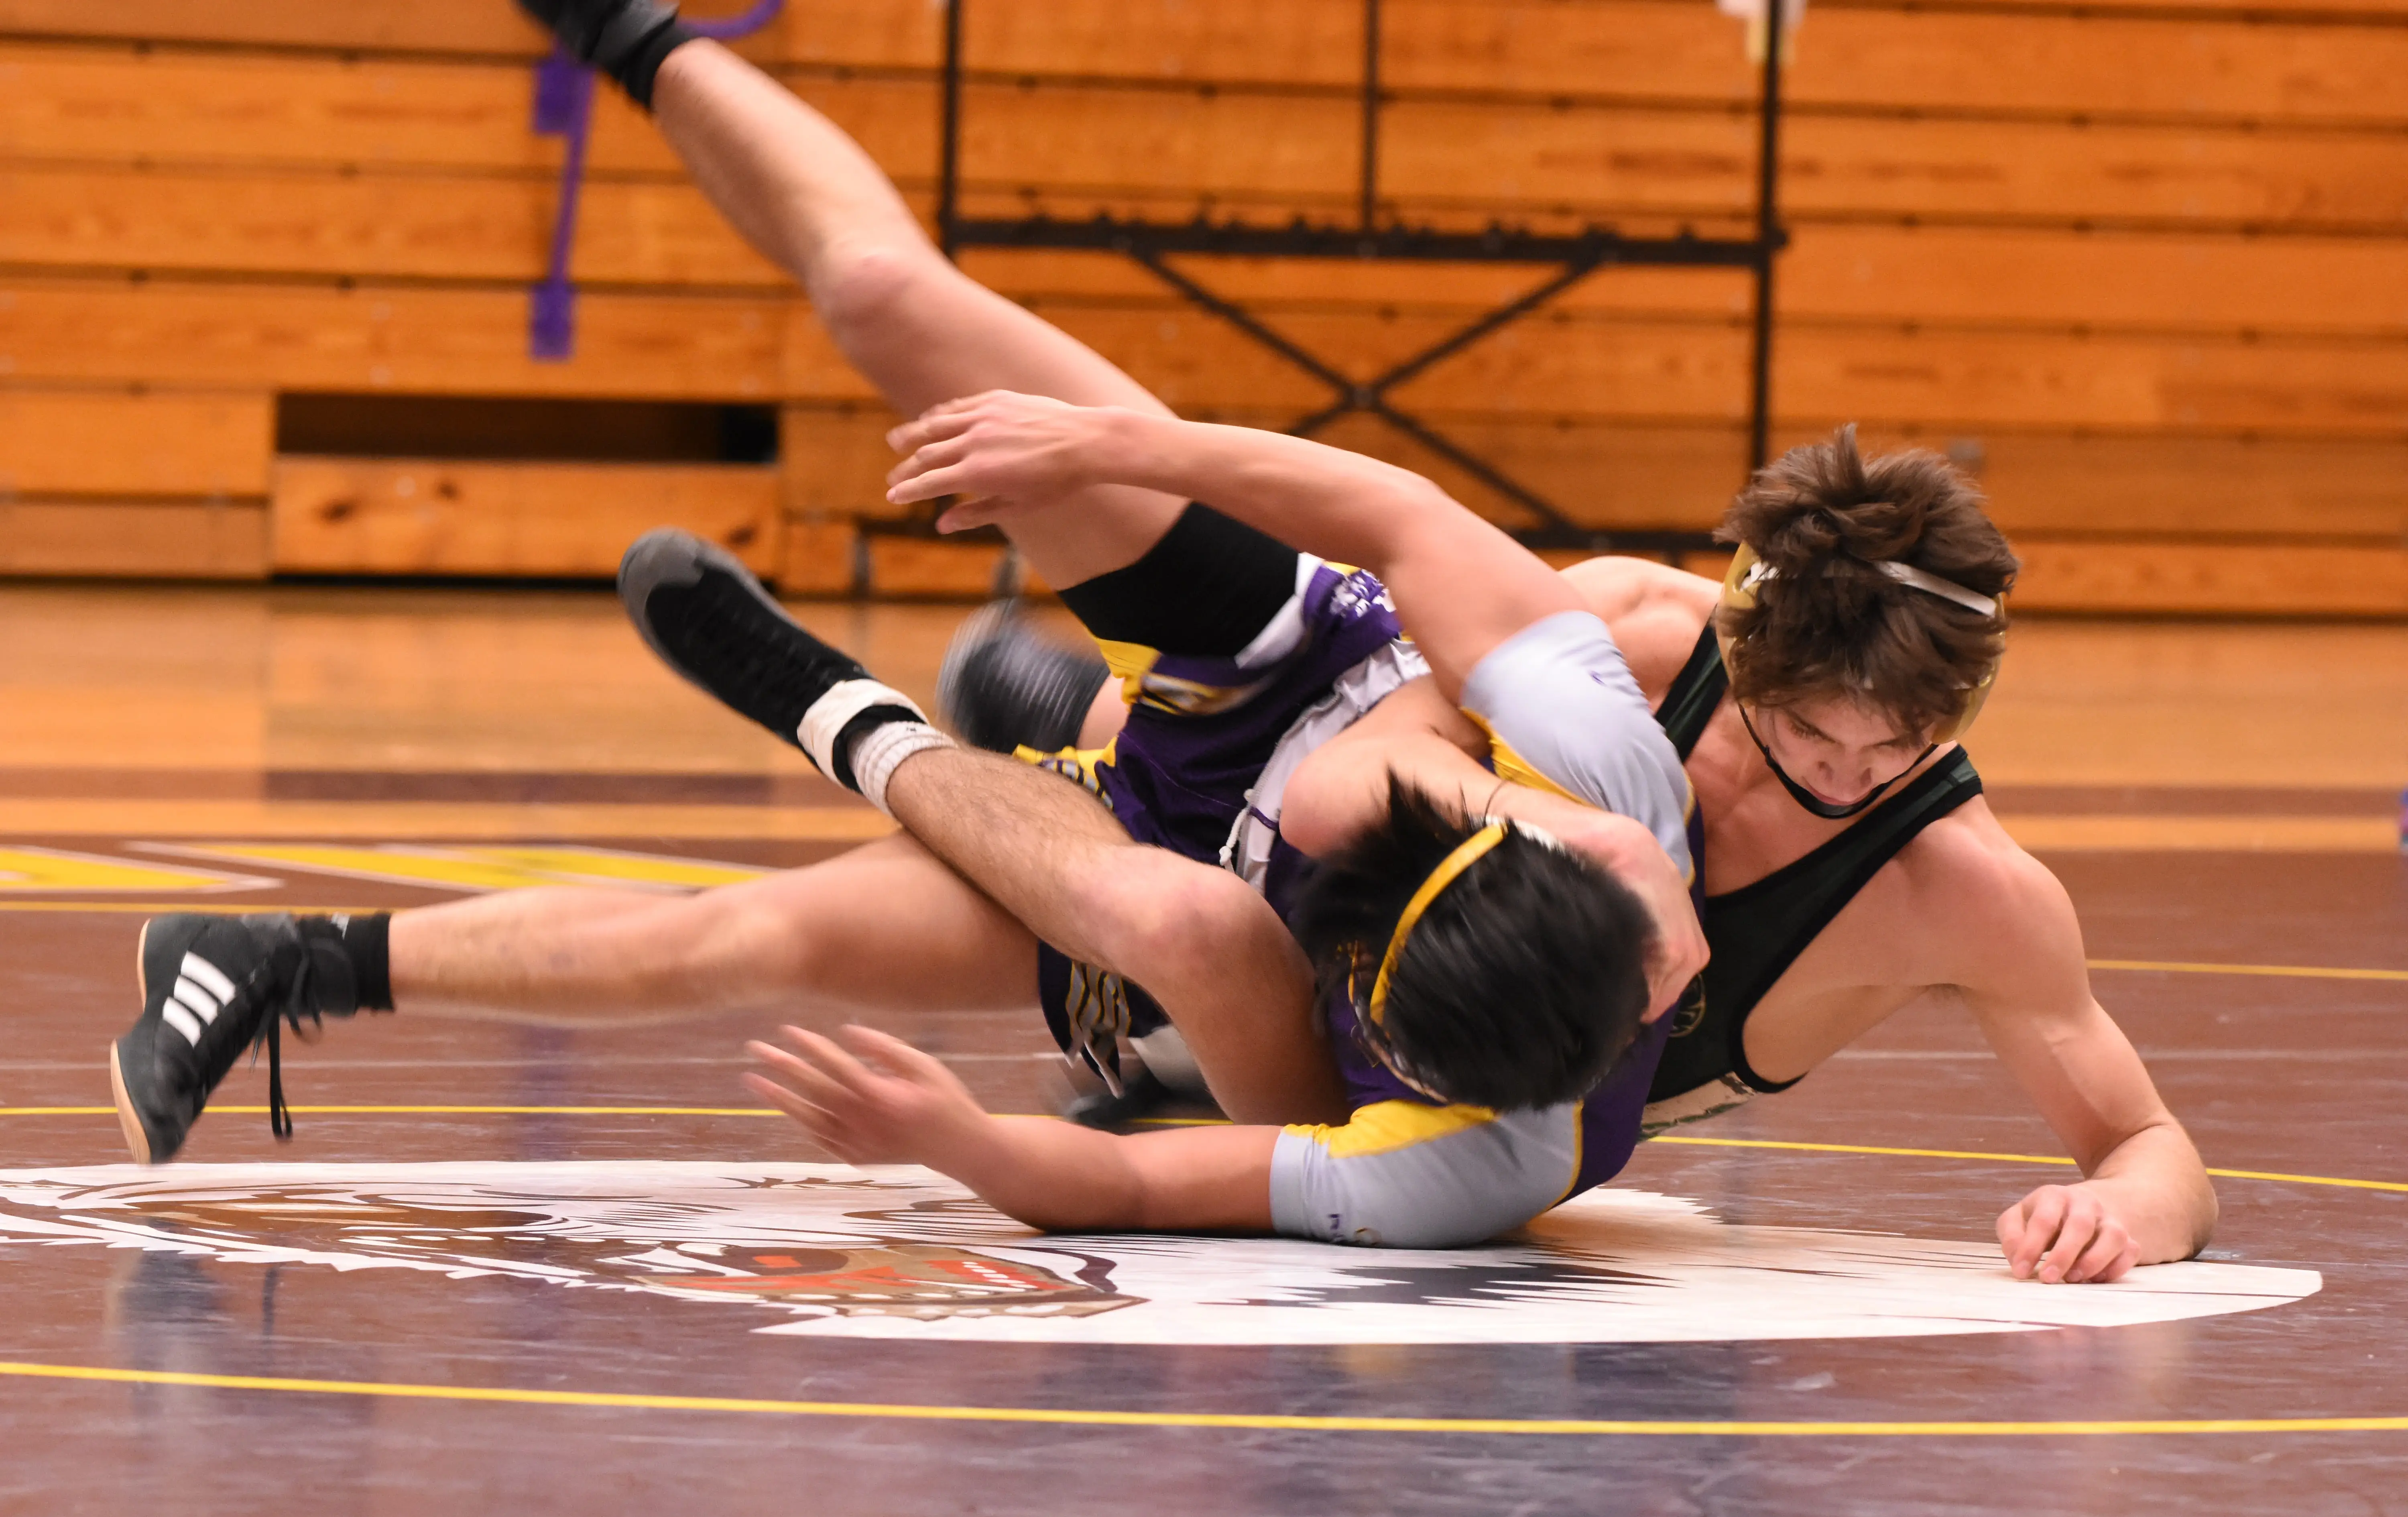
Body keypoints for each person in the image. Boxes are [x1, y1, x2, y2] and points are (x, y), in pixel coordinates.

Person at [104, 4, 1709, 1250]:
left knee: (790, 940)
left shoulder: (1460, 1163)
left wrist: (953, 1137)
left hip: (1186, 908)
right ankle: (635, 37)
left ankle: (277, 956)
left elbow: (1138, 1196)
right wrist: (1118, 451)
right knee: (883, 300)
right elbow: (1411, 528)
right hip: (1291, 666)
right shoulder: (1610, 811)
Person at [905, 410, 2220, 1287]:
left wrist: (2126, 1215)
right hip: (1349, 878)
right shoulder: (1637, 635)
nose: (1846, 779)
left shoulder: (1970, 892)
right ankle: (1074, 713)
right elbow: (1350, 777)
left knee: (1295, 1116)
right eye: (1810, 736)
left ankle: (1066, 733)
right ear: (1742, 648)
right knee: (1252, 782)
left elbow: (2149, 1143)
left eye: (1897, 751)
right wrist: (1586, 835)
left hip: (1476, 1080)